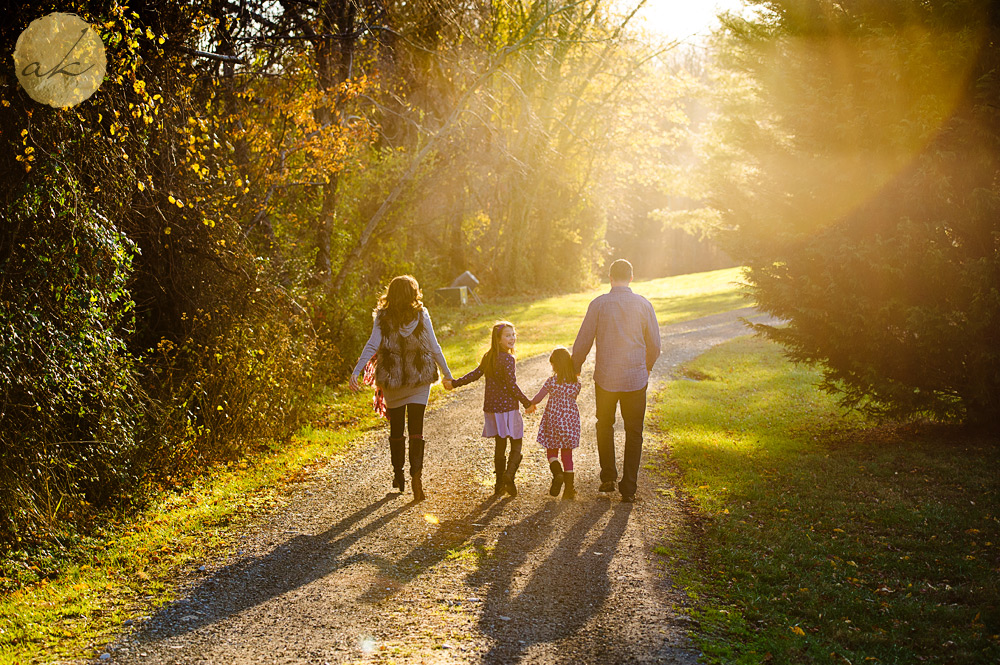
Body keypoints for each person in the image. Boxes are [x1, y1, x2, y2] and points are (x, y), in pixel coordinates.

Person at [350, 275, 454, 502]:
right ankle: (417, 477)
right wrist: (447, 373)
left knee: (397, 430)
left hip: (393, 380)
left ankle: (399, 475)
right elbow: (434, 347)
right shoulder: (421, 314)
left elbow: (372, 344)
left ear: (392, 293)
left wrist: (356, 371)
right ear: (412, 293)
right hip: (419, 379)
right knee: (417, 429)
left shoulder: (382, 317)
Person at [571, 259, 661, 503]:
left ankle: (608, 476)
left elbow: (583, 340)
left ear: (610, 278)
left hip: (606, 378)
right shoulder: (644, 305)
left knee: (604, 424)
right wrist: (647, 367)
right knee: (634, 431)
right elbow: (654, 344)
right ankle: (629, 488)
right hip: (636, 378)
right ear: (631, 278)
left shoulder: (598, 304)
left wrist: (575, 367)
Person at [450, 321, 537, 496]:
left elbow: (475, 374)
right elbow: (512, 386)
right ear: (498, 339)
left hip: (493, 409)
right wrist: (527, 402)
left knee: (500, 444)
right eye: (507, 335)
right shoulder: (508, 359)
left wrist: (455, 383)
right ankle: (509, 475)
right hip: (508, 409)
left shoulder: (488, 356)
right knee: (517, 441)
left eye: (513, 335)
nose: (512, 338)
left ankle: (499, 485)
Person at [528, 347, 581, 500]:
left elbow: (538, 397)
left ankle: (557, 473)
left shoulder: (551, 381)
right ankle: (569, 490)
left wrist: (530, 404)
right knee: (567, 454)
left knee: (551, 451)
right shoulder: (576, 383)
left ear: (555, 365)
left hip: (553, 420)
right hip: (570, 421)